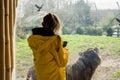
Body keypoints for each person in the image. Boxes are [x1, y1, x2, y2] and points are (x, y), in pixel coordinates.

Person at [27, 13, 69, 80]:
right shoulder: (56, 41)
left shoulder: (34, 40)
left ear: (43, 24)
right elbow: (62, 63)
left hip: (41, 77)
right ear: (56, 26)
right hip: (55, 77)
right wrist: (65, 50)